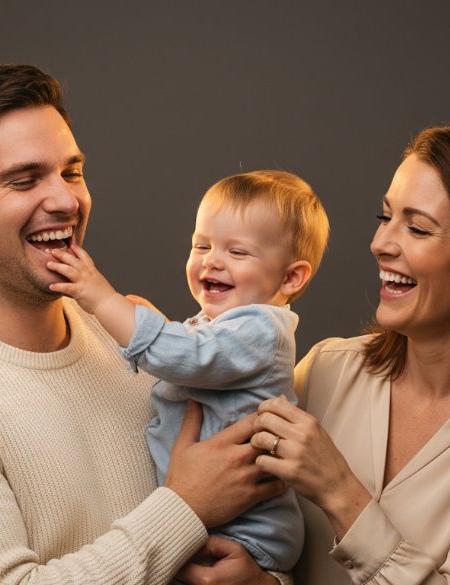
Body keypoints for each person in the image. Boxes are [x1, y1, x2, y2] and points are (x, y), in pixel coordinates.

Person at [0, 64, 287, 585]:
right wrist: (185, 507)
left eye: (71, 172)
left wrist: (264, 581)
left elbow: (245, 531)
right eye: (24, 180)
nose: (65, 201)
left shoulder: (128, 337)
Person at [195, 124, 450, 584]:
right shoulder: (328, 369)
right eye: (384, 217)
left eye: (417, 228)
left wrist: (339, 491)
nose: (381, 244)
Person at [44, 170, 330, 572]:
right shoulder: (219, 326)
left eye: (238, 252)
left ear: (291, 277)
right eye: (202, 245)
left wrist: (103, 299)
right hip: (204, 517)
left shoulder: (264, 330)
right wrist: (161, 328)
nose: (212, 260)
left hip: (249, 532)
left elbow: (190, 358)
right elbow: (196, 358)